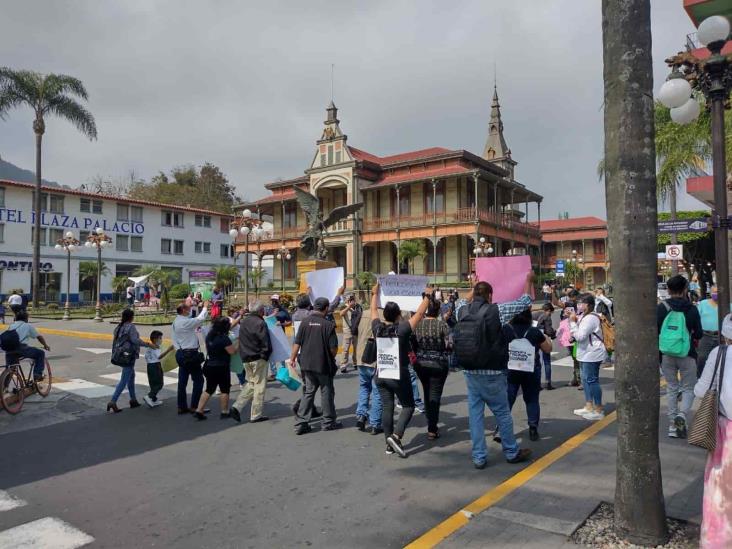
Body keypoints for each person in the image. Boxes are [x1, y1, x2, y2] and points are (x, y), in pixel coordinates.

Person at [455, 272, 534, 469]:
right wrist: (528, 281)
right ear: (490, 295)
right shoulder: (496, 311)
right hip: (492, 373)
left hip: (470, 371)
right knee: (502, 413)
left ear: (474, 294)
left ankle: (479, 457)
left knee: (475, 416)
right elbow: (524, 301)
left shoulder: (461, 311)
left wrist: (471, 288)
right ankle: (511, 451)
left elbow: (460, 302)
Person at [369, 282, 430, 457]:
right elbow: (419, 314)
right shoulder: (402, 329)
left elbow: (373, 311)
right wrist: (428, 296)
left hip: (380, 373)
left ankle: (389, 443)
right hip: (397, 374)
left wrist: (374, 294)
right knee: (409, 406)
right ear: (398, 315)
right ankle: (396, 436)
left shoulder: (377, 328)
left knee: (387, 407)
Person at [694, 314, 732, 548]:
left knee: (720, 491)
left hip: (724, 433)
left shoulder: (719, 354)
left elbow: (700, 391)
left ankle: (718, 541)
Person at [658, 274, 703, 438]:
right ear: (685, 289)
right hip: (687, 353)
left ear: (668, 290)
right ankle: (682, 415)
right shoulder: (692, 309)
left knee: (671, 387)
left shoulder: (662, 307)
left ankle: (672, 426)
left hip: (666, 354)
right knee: (688, 388)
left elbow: (655, 331)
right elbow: (698, 334)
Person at [291, 297, 341, 435]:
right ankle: (328, 422)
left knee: (308, 392)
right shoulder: (328, 325)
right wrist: (330, 357)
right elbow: (333, 349)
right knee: (326, 392)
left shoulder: (305, 322)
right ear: (325, 309)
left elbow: (297, 342)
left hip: (306, 363)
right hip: (323, 364)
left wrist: (292, 359)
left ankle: (301, 422)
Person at [505, 307, 553, 440]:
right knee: (532, 399)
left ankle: (502, 427)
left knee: (508, 399)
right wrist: (547, 338)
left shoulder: (506, 330)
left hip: (511, 369)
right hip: (531, 369)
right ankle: (533, 428)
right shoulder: (534, 331)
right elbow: (547, 349)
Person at [413, 295, 451, 439]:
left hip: (421, 364)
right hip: (438, 364)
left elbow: (413, 344)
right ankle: (432, 428)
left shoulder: (418, 324)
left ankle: (431, 423)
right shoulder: (442, 325)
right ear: (437, 310)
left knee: (427, 393)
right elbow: (450, 345)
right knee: (434, 395)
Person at [231, 301, 272, 423]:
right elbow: (265, 342)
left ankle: (237, 406)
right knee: (259, 386)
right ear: (260, 311)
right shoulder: (260, 323)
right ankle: (256, 414)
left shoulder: (244, 322)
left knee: (252, 383)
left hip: (246, 357)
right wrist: (265, 355)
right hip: (258, 357)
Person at [569, 294, 607, 421]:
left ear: (589, 305)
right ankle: (589, 406)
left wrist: (573, 323)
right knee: (585, 380)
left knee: (592, 380)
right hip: (585, 353)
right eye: (578, 303)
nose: (579, 305)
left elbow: (581, 336)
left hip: (592, 353)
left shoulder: (590, 318)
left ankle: (598, 409)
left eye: (582, 303)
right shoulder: (584, 316)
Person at [107, 308, 153, 413]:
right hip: (128, 356)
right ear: (131, 317)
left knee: (131, 376)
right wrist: (148, 344)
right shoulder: (130, 327)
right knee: (124, 379)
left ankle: (133, 400)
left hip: (121, 355)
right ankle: (113, 401)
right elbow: (135, 340)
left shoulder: (119, 327)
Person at [194, 316, 239, 420]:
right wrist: (238, 343)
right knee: (224, 389)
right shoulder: (224, 338)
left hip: (209, 365)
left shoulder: (210, 336)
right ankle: (224, 411)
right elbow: (232, 352)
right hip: (221, 366)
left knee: (209, 389)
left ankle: (199, 410)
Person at [172, 299, 209, 415]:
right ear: (183, 310)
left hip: (181, 352)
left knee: (182, 381)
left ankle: (181, 406)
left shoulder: (176, 321)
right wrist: (205, 307)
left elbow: (174, 339)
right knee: (198, 380)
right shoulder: (185, 322)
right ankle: (195, 405)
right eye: (188, 308)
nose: (190, 309)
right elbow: (200, 319)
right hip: (191, 353)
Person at [354, 305, 382, 434]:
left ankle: (361, 415)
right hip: (377, 359)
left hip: (361, 356)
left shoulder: (362, 313)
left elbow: (354, 331)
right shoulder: (385, 315)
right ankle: (375, 423)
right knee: (377, 392)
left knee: (364, 387)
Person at [4, 310, 50, 382]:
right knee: (40, 353)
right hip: (21, 349)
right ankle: (37, 374)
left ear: (16, 318)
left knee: (10, 369)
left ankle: (4, 388)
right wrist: (45, 345)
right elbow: (39, 337)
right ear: (26, 318)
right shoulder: (28, 325)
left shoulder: (11, 326)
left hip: (9, 349)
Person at [143, 330, 174, 408]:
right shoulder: (155, 347)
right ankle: (149, 396)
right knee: (159, 384)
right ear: (155, 339)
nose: (161, 340)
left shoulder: (150, 347)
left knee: (153, 383)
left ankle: (154, 399)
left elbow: (146, 356)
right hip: (155, 366)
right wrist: (169, 350)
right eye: (160, 338)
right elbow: (159, 357)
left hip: (150, 366)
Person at [266, 294, 292, 381]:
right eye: (273, 300)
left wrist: (281, 324)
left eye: (276, 301)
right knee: (271, 354)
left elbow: (289, 322)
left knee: (281, 353)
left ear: (279, 301)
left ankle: (283, 372)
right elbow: (264, 319)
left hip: (280, 336)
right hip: (269, 335)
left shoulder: (284, 311)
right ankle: (274, 373)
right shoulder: (267, 310)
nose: (274, 302)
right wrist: (273, 314)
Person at [697, 286, 720, 377]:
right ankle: (700, 377)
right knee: (702, 357)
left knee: (719, 358)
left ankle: (716, 378)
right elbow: (696, 318)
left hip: (721, 336)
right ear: (710, 293)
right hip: (705, 335)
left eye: (717, 292)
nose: (716, 294)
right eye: (714, 292)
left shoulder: (727, 304)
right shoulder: (703, 304)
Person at [533, 302, 556, 390]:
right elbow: (549, 331)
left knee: (536, 362)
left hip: (534, 339)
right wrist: (554, 334)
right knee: (546, 361)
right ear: (549, 310)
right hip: (543, 339)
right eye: (551, 312)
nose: (551, 314)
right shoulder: (547, 317)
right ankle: (548, 382)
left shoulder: (534, 314)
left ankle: (537, 383)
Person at [338, 294, 362, 373]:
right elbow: (341, 314)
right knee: (345, 348)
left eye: (353, 299)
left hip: (356, 330)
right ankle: (343, 364)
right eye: (350, 299)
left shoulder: (358, 307)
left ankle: (355, 363)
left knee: (356, 348)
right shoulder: (344, 306)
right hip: (347, 330)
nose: (352, 300)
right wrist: (349, 307)